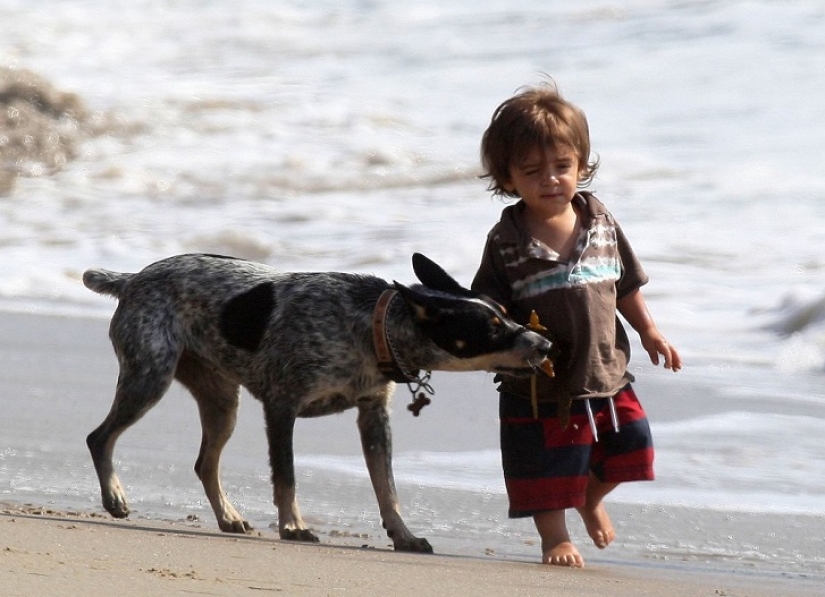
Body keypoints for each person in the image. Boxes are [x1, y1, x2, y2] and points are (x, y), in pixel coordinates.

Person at [471, 83, 682, 568]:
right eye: (532, 171)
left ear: (582, 165)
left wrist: (649, 331)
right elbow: (489, 305)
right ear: (507, 178)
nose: (550, 180)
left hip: (604, 369)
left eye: (562, 167)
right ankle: (555, 539)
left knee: (632, 447)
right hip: (540, 382)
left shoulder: (600, 220)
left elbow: (625, 285)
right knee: (545, 467)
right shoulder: (506, 240)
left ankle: (589, 496)